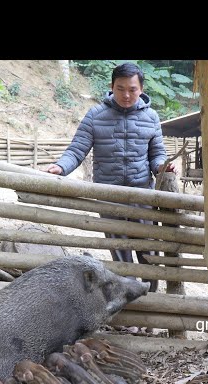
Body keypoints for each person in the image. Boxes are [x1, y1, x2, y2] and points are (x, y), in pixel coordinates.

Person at [45, 62, 176, 293]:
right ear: (111, 87)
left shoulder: (152, 117)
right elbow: (77, 149)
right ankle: (130, 306)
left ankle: (151, 301)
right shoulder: (96, 115)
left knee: (149, 250)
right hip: (109, 196)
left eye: (132, 89)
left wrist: (162, 167)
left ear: (142, 89)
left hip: (142, 195)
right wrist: (60, 167)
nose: (126, 95)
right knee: (120, 253)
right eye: (121, 88)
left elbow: (156, 154)